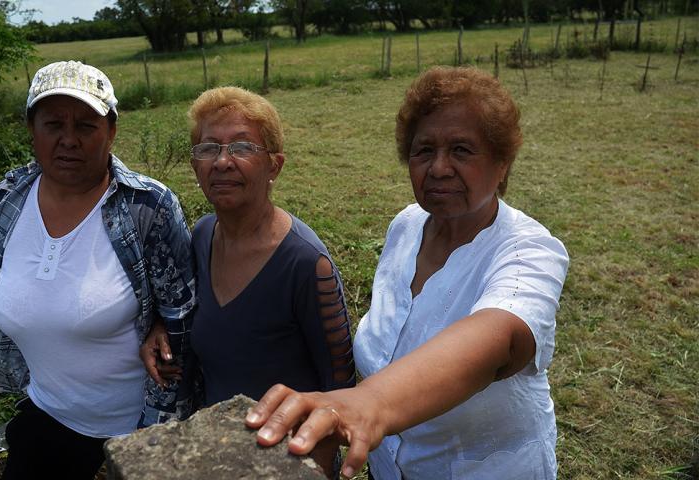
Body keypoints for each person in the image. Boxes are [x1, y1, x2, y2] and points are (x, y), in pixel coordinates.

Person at [244, 66, 570, 480]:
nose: (438, 169)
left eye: (462, 150)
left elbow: (499, 337)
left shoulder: (529, 251)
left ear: (502, 163)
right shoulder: (407, 225)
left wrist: (369, 403)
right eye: (423, 151)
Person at [0, 61, 196, 479]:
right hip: (47, 408)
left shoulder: (147, 207)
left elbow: (180, 311)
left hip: (138, 422)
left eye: (86, 125)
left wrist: (162, 328)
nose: (69, 140)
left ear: (111, 132)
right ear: (32, 129)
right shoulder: (7, 198)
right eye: (53, 124)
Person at [141, 86, 355, 475]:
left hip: (285, 459)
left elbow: (339, 388)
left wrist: (313, 470)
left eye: (241, 148)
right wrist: (161, 325)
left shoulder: (306, 264)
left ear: (275, 166)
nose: (222, 162)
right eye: (208, 149)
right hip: (214, 450)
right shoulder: (202, 236)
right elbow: (185, 303)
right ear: (195, 166)